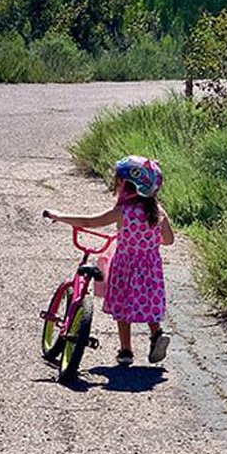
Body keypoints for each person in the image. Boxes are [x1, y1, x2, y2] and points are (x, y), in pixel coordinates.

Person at [44, 155, 174, 366]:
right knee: (147, 302)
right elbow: (168, 240)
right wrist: (148, 241)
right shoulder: (158, 212)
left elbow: (89, 221)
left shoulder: (123, 212)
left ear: (125, 185)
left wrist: (60, 216)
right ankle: (157, 333)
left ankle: (126, 351)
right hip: (150, 269)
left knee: (123, 307)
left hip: (125, 266)